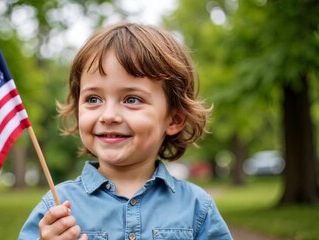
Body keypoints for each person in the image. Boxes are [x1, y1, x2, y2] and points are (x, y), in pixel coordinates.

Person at [19, 22, 233, 240]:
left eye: (132, 99)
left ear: (174, 119)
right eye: (93, 99)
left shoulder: (196, 207)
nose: (108, 115)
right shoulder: (56, 210)